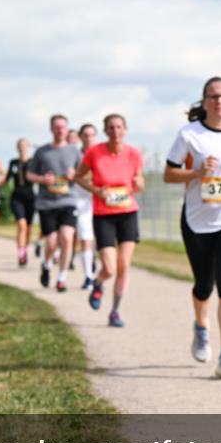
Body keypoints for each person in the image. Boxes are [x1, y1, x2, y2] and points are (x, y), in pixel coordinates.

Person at [163, 77, 221, 377]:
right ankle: (201, 326)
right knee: (204, 285)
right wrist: (197, 172)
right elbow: (169, 174)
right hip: (197, 219)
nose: (220, 101)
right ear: (204, 102)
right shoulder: (189, 135)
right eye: (214, 97)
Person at [75, 114, 144, 328]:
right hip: (103, 214)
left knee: (124, 266)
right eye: (111, 128)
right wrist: (96, 190)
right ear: (105, 131)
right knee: (110, 268)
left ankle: (114, 311)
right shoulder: (94, 153)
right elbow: (78, 177)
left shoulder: (134, 153)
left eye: (119, 127)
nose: (115, 131)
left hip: (127, 213)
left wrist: (139, 182)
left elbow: (139, 180)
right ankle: (98, 282)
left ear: (125, 130)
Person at [27, 114, 82, 292]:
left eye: (63, 127)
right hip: (47, 203)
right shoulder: (42, 152)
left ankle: (62, 278)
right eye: (56, 127)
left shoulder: (75, 151)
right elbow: (29, 175)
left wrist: (75, 175)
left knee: (66, 237)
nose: (60, 130)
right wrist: (43, 179)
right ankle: (47, 264)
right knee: (51, 243)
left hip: (68, 200)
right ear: (51, 129)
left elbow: (85, 174)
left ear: (67, 129)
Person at [73, 124, 98, 288]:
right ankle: (89, 276)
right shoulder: (74, 154)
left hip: (100, 200)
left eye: (91, 135)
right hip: (81, 202)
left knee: (98, 238)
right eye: (85, 135)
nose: (88, 138)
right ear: (80, 137)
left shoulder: (101, 153)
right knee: (85, 237)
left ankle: (92, 260)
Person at [6, 138, 37, 267]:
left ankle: (25, 250)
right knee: (21, 225)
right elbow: (7, 178)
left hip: (30, 197)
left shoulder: (33, 162)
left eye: (24, 145)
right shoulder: (13, 162)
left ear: (28, 147)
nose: (22, 148)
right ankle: (21, 253)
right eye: (20, 145)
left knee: (28, 228)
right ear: (17, 148)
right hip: (17, 197)